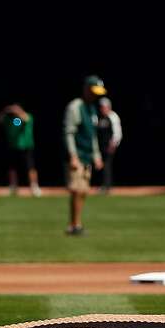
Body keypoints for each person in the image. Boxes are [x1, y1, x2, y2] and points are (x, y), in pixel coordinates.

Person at [61, 77, 106, 235]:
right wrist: (73, 155)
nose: (96, 96)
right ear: (86, 89)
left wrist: (96, 155)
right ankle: (74, 225)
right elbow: (69, 133)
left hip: (87, 155)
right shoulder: (75, 107)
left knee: (84, 191)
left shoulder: (92, 108)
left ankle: (76, 224)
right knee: (77, 190)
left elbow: (92, 135)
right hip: (77, 155)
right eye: (93, 92)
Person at [0, 104, 41, 197]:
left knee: (30, 167)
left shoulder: (27, 116)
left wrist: (18, 111)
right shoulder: (8, 119)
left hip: (26, 146)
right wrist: (6, 110)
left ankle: (34, 187)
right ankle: (13, 186)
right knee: (12, 168)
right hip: (13, 146)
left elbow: (26, 119)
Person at [95, 97, 123, 195]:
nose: (102, 109)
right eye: (101, 107)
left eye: (104, 107)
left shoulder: (113, 117)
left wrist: (113, 144)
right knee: (100, 166)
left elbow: (117, 133)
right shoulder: (98, 117)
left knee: (107, 166)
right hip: (99, 146)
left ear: (108, 107)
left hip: (109, 146)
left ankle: (107, 186)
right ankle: (102, 185)